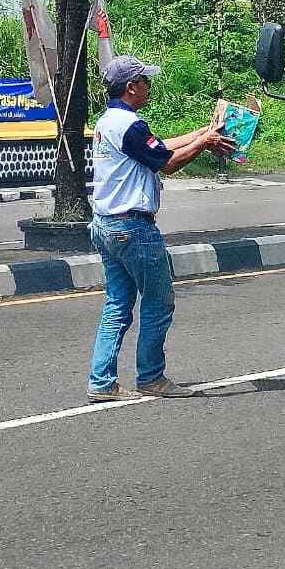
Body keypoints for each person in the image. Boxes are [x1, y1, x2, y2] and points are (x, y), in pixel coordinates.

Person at [86, 55, 236, 402]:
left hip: (106, 225)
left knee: (117, 304)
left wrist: (203, 133)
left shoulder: (111, 121)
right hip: (133, 228)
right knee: (158, 299)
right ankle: (151, 376)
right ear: (131, 87)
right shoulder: (130, 125)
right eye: (145, 82)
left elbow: (160, 147)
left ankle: (102, 380)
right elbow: (168, 163)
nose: (149, 87)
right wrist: (205, 144)